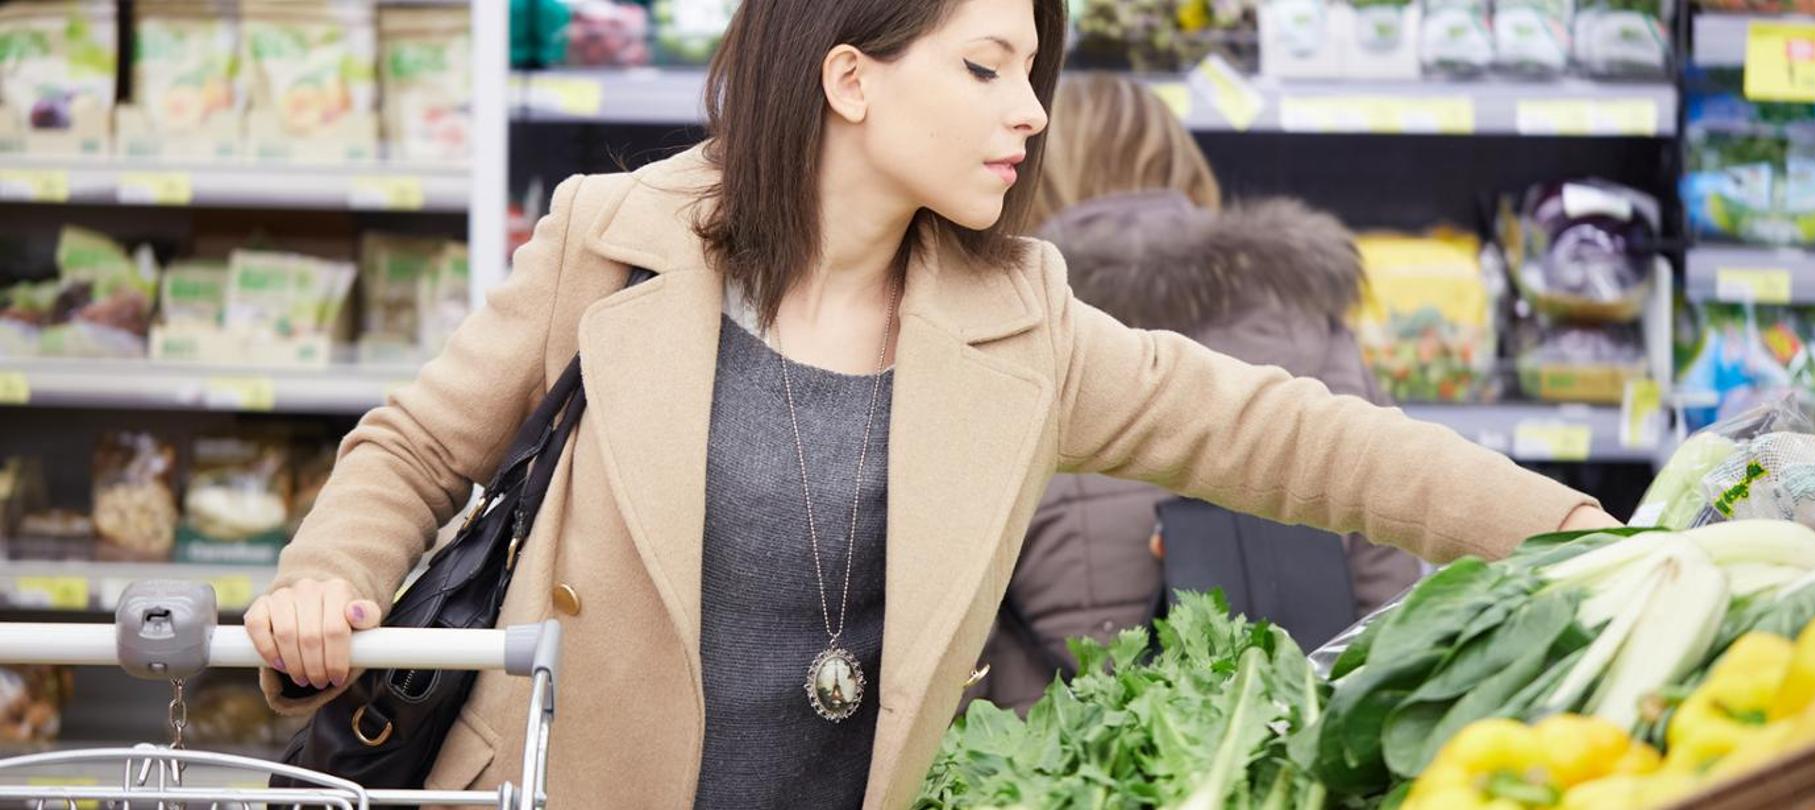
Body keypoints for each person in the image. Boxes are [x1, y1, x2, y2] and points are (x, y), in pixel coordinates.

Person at [244, 0, 1617, 807]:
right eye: (984, 66)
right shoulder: (617, 240)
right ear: (850, 76)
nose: (1027, 109)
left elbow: (1305, 439)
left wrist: (1582, 530)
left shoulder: (1022, 324)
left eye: (1032, 68)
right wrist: (326, 579)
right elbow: (419, 443)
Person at [972, 73, 1421, 713]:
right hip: (1291, 735)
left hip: (1073, 759)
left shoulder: (1002, 334)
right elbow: (1387, 556)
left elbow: (962, 617)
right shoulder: (1302, 312)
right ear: (1184, 166)